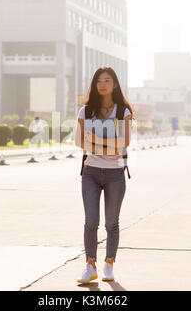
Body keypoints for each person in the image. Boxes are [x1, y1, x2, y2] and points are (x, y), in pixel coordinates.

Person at [74, 66, 134, 284]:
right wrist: (109, 143)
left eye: (107, 80)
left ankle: (109, 263)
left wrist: (95, 141)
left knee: (111, 223)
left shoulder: (123, 112)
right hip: (90, 173)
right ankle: (90, 266)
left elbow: (124, 143)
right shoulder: (86, 111)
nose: (102, 84)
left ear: (114, 84)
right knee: (91, 221)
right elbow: (79, 142)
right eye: (99, 80)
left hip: (115, 174)